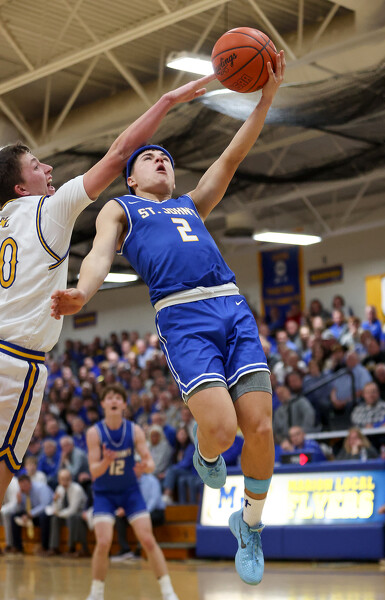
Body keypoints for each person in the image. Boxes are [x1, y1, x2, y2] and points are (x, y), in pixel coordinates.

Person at [51, 52, 286, 586]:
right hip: (182, 318)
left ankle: (249, 525)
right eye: (149, 158)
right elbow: (99, 255)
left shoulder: (190, 205)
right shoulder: (122, 209)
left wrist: (266, 99)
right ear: (131, 179)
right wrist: (83, 291)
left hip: (231, 306)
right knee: (221, 430)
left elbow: (231, 156)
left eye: (166, 158)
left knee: (260, 427)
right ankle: (206, 453)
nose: (160, 160)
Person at [0, 73, 215, 506]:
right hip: (15, 362)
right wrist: (167, 100)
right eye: (38, 166)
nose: (49, 169)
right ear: (22, 188)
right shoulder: (47, 210)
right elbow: (118, 155)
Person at [84, 383, 179, 600]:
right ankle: (96, 594)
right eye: (109, 397)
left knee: (148, 540)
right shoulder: (94, 433)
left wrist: (145, 466)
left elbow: (151, 464)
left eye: (118, 397)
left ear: (124, 404)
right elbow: (94, 471)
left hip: (130, 492)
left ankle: (168, 592)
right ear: (103, 404)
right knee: (103, 542)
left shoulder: (134, 430)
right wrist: (106, 461)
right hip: (105, 493)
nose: (114, 400)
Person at [48, 468, 89, 557]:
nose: (65, 481)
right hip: (66, 514)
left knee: (71, 518)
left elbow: (73, 510)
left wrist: (58, 513)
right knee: (55, 519)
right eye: (62, 479)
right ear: (58, 480)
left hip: (80, 514)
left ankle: (71, 548)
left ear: (70, 479)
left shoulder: (77, 489)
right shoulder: (59, 489)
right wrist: (55, 501)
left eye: (67, 479)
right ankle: (54, 548)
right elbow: (57, 510)